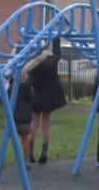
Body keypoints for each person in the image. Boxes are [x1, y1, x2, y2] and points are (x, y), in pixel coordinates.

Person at [25, 36, 67, 165]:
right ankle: (44, 153)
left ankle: (30, 152)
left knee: (34, 124)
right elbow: (58, 52)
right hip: (49, 98)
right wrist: (56, 37)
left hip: (37, 97)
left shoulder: (34, 66)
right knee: (46, 125)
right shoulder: (52, 62)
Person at [8, 76, 35, 168]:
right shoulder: (29, 88)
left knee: (7, 137)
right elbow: (33, 100)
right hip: (26, 117)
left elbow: (6, 99)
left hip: (14, 117)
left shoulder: (12, 88)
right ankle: (27, 160)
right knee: (24, 139)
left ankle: (0, 156)